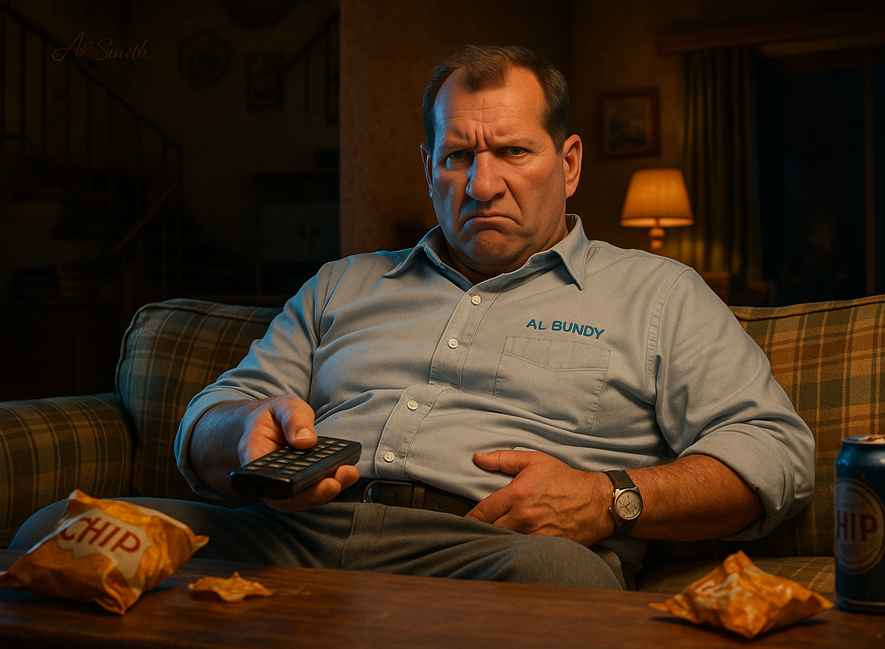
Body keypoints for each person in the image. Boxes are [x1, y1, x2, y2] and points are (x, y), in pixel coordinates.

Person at [11, 45, 814, 591]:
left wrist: (610, 499)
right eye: (458, 156)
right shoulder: (342, 284)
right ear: (429, 169)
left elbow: (773, 450)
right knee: (55, 529)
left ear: (568, 164)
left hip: (498, 552)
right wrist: (241, 434)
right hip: (289, 535)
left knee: (562, 582)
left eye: (513, 152)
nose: (483, 184)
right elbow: (214, 415)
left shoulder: (658, 293)